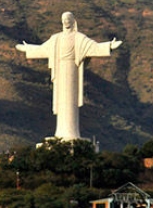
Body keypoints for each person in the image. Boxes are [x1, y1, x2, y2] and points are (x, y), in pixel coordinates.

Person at [16, 12, 122, 140]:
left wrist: (109, 46)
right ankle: (61, 133)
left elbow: (93, 47)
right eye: (63, 19)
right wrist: (28, 49)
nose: (66, 21)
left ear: (72, 21)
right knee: (62, 102)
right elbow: (43, 49)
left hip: (72, 69)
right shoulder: (56, 38)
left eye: (68, 19)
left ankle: (72, 133)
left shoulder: (79, 38)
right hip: (60, 69)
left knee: (70, 100)